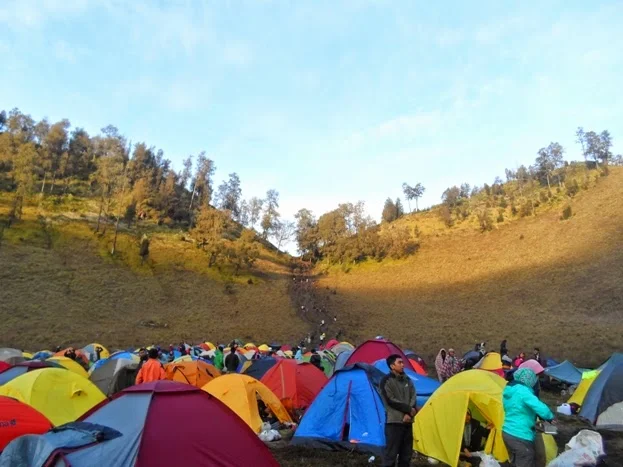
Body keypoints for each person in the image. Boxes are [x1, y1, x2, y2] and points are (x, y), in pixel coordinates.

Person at [502, 368, 554, 467]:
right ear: (529, 380)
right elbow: (539, 406)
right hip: (520, 434)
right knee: (526, 458)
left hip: (507, 431)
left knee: (515, 461)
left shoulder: (509, 391)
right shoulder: (523, 391)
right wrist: (550, 417)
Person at [379, 354, 417, 467]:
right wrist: (408, 409)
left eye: (402, 362)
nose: (402, 365)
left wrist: (409, 413)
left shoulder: (407, 380)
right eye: (399, 363)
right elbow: (390, 400)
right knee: (390, 456)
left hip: (407, 422)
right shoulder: (386, 381)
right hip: (394, 422)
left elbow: (413, 396)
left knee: (406, 456)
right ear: (392, 366)